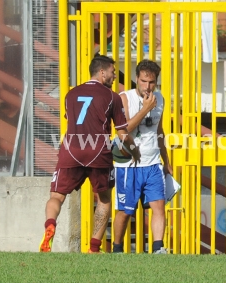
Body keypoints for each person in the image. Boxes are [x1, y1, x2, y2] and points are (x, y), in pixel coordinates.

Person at [39, 55, 140, 253]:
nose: (113, 77)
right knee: (103, 199)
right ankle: (94, 248)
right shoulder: (112, 97)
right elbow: (122, 133)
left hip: (71, 150)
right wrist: (135, 151)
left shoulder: (71, 94)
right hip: (98, 151)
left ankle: (50, 224)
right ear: (102, 73)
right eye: (112, 72)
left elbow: (73, 119)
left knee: (56, 196)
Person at [112, 59, 172, 254]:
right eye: (144, 81)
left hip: (153, 162)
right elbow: (124, 129)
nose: (148, 86)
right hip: (129, 164)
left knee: (158, 207)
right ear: (136, 79)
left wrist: (166, 160)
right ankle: (117, 248)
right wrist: (145, 108)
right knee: (125, 211)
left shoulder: (160, 99)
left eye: (152, 82)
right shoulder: (124, 98)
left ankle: (158, 248)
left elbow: (159, 130)